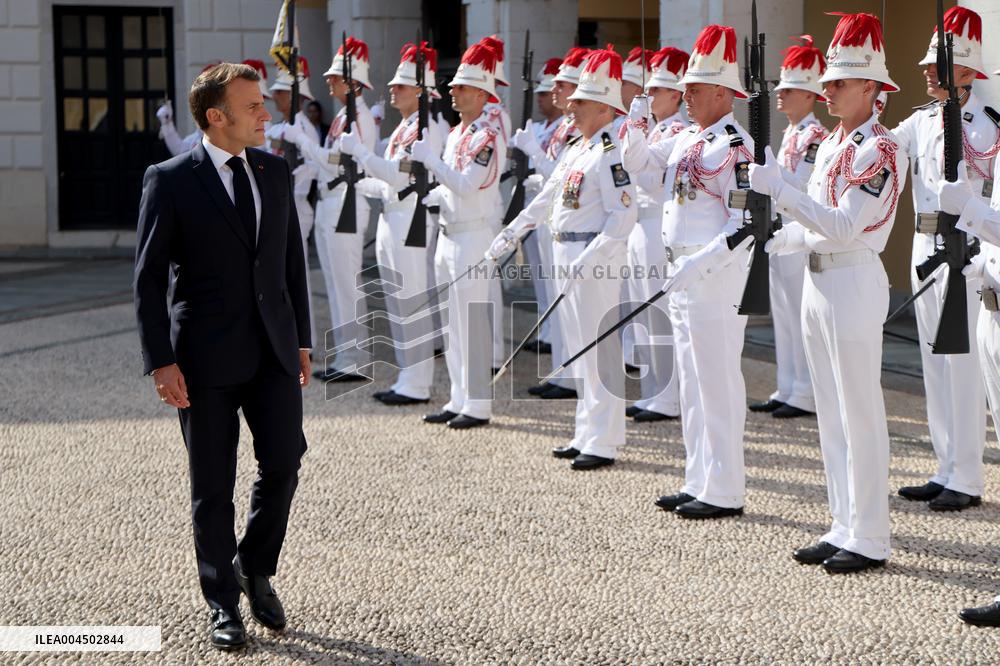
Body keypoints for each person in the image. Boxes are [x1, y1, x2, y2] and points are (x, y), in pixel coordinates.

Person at [134, 62, 311, 650]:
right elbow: (148, 278)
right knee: (213, 487)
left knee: (284, 463)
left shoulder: (274, 170)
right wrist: (161, 361)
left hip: (274, 352)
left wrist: (303, 339)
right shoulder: (171, 178)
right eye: (254, 105)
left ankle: (255, 567)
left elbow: (291, 266)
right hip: (204, 360)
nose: (267, 113)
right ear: (218, 116)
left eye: (264, 103)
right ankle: (221, 602)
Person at [749, 12, 906, 573]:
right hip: (818, 279)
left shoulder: (880, 150)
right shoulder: (834, 145)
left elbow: (843, 225)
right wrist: (781, 239)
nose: (828, 91)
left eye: (839, 82)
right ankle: (843, 523)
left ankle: (871, 536)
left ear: (871, 86)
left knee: (860, 409)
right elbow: (816, 227)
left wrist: (783, 195)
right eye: (827, 82)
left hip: (854, 280)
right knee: (831, 414)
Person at [622, 25, 754, 519]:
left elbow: (744, 225)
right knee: (694, 383)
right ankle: (699, 477)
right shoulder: (685, 140)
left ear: (722, 91)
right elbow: (644, 171)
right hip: (683, 274)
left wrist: (698, 264)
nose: (685, 96)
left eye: (694, 89)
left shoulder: (735, 146)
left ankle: (724, 489)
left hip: (713, 276)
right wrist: (635, 125)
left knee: (717, 382)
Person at [489, 46, 637, 470]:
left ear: (605, 108)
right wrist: (510, 233)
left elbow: (624, 213)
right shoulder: (577, 147)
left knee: (598, 348)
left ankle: (605, 440)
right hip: (564, 249)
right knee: (576, 345)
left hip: (591, 255)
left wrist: (591, 256)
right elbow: (548, 198)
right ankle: (586, 430)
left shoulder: (611, 152)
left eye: (580, 101)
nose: (569, 105)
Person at [892, 6, 993, 511]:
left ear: (969, 71)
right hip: (924, 248)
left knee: (964, 363)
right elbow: (883, 149)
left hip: (968, 252)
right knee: (934, 361)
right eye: (928, 67)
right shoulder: (922, 120)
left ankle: (969, 477)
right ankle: (945, 465)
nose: (928, 73)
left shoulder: (988, 126)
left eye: (939, 67)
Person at [339, 41, 446, 406]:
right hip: (391, 217)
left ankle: (418, 383)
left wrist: (361, 153)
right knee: (396, 302)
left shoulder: (427, 126)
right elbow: (386, 182)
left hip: (410, 219)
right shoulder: (404, 126)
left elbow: (400, 178)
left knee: (412, 300)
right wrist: (359, 180)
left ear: (420, 90)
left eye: (400, 86)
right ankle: (407, 376)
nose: (392, 90)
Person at [410, 42, 504, 429]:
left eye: (462, 88)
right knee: (451, 322)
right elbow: (453, 186)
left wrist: (429, 161)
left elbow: (467, 184)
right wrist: (435, 192)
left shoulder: (487, 135)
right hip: (449, 234)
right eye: (453, 87)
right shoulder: (457, 133)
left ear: (482, 94)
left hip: (472, 238)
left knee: (471, 322)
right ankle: (458, 397)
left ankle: (478, 404)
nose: (452, 91)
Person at [283, 38, 378, 382]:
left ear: (354, 82)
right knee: (337, 287)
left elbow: (340, 163)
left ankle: (356, 358)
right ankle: (345, 354)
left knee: (347, 285)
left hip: (346, 204)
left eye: (336, 77)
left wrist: (304, 142)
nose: (329, 81)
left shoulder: (360, 119)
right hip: (329, 203)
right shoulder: (342, 116)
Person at [748, 35, 828, 420]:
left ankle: (806, 392)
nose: (781, 95)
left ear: (811, 95)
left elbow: (807, 188)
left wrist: (774, 177)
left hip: (800, 230)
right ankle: (788, 385)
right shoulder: (791, 134)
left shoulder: (816, 138)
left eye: (790, 89)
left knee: (799, 314)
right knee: (783, 313)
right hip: (782, 232)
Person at [508, 46, 590, 401]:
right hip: (551, 218)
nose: (554, 92)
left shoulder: (575, 130)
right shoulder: (563, 129)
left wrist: (534, 154)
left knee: (569, 305)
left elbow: (562, 179)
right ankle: (562, 371)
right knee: (554, 298)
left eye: (561, 85)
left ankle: (570, 375)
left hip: (569, 220)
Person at [618, 46, 689, 423]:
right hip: (639, 224)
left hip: (657, 222)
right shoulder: (658, 129)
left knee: (658, 311)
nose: (650, 96)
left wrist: (639, 136)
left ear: (675, 95)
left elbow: (647, 175)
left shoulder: (678, 130)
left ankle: (667, 394)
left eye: (658, 90)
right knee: (641, 311)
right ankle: (652, 391)